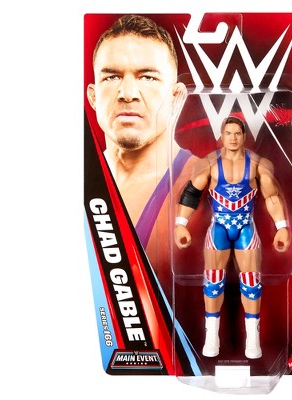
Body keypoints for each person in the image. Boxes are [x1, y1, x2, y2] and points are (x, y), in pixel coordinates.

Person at [86, 15, 200, 300]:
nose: (127, 93)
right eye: (111, 77)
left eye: (147, 77)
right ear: (93, 97)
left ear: (176, 97)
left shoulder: (208, 184)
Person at [174, 116, 290, 359]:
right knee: (213, 281)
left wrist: (281, 227)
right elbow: (192, 192)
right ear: (222, 135)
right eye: (228, 133)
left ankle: (253, 341)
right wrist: (181, 224)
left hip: (246, 228)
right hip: (219, 228)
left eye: (237, 133)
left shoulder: (258, 164)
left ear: (244, 136)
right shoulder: (209, 163)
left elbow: (272, 197)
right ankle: (211, 338)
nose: (233, 138)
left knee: (251, 283)